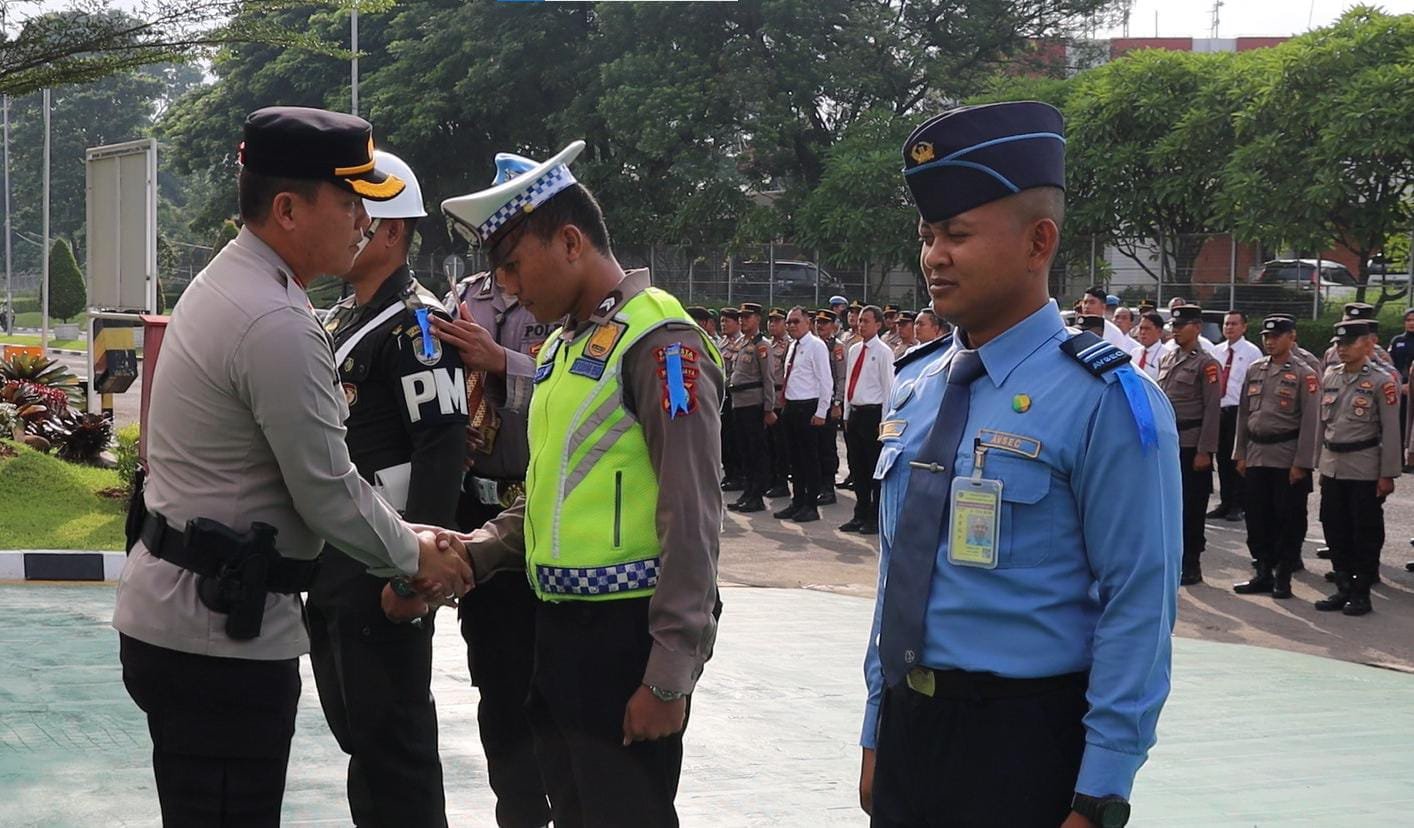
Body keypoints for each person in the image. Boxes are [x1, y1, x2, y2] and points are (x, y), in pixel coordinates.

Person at [112, 106, 471, 826]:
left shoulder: (233, 285)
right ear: (286, 209)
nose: (362, 221)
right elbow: (326, 490)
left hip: (196, 616)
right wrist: (415, 553)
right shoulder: (275, 320)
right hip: (217, 640)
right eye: (347, 202)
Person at [860, 101, 1179, 828]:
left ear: (1039, 242)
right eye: (927, 234)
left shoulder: (1107, 399)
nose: (934, 255)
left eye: (958, 234)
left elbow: (1139, 602)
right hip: (913, 728)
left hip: (1026, 745)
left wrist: (1100, 791)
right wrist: (878, 725)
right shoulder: (917, 383)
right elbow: (896, 578)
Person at [440, 139, 723, 826]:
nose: (507, 289)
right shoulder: (564, 346)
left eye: (513, 266)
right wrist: (473, 552)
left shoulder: (661, 344)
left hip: (627, 640)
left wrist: (669, 673)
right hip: (558, 630)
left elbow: (693, 518)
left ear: (569, 241)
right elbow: (546, 493)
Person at [303, 151, 465, 828]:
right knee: (359, 736)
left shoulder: (419, 326)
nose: (344, 226)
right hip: (336, 557)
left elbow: (440, 452)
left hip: (384, 558)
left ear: (392, 231)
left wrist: (413, 573)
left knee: (394, 744)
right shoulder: (342, 316)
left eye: (357, 215)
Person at [434, 149, 563, 828]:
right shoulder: (469, 297)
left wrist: (501, 359)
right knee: (495, 678)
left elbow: (578, 380)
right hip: (480, 509)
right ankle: (517, 807)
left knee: (554, 679)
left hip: (543, 509)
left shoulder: (572, 300)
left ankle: (553, 797)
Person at [1312, 320, 1402, 616]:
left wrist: (1387, 474)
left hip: (1364, 467)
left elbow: (1391, 431)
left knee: (1364, 531)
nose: (1341, 349)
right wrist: (1320, 464)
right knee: (1334, 526)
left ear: (1366, 344)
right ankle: (1342, 586)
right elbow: (1324, 425)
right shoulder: (1331, 374)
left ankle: (1361, 592)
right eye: (1338, 344)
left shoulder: (1381, 380)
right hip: (1334, 465)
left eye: (1348, 343)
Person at [1231, 315, 1319, 600]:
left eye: (1277, 336)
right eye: (1266, 337)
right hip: (1257, 454)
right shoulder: (1255, 369)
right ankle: (1263, 571)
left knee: (1288, 518)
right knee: (1257, 517)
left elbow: (1311, 422)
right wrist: (1240, 452)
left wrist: (1302, 463)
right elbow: (1245, 414)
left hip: (1286, 456)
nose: (1270, 341)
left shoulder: (1305, 373)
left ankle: (1283, 574)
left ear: (1291, 337)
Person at [1158, 305, 1222, 586]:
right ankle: (1172, 559)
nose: (1175, 330)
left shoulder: (1206, 364)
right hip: (1169, 443)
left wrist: (1205, 450)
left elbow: (1212, 410)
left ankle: (1192, 562)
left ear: (1197, 327)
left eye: (1181, 325)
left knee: (1192, 507)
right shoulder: (1169, 356)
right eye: (1173, 325)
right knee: (1168, 505)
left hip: (1191, 444)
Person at [776, 305, 833, 523]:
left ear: (808, 322)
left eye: (796, 321)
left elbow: (825, 381)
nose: (791, 326)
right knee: (795, 460)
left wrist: (821, 411)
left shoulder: (816, 346)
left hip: (808, 407)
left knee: (810, 459)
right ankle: (797, 501)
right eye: (789, 322)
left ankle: (810, 505)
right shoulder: (793, 346)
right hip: (791, 406)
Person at [840, 304, 892, 534]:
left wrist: (884, 424)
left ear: (878, 325)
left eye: (866, 321)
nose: (861, 325)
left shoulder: (883, 352)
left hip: (873, 414)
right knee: (857, 466)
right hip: (856, 413)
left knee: (873, 469)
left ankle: (874, 516)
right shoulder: (853, 349)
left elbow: (888, 389)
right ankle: (859, 513)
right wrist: (846, 413)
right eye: (860, 320)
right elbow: (849, 384)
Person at [726, 302, 780, 514]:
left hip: (753, 405)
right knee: (744, 451)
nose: (742, 320)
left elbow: (768, 378)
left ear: (758, 319)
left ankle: (756, 495)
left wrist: (769, 408)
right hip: (738, 403)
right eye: (740, 317)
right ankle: (747, 492)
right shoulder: (742, 343)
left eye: (747, 317)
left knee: (756, 451)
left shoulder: (762, 345)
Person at [1209, 310, 1263, 523]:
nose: (1229, 327)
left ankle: (1239, 504)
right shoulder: (1217, 351)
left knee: (1238, 458)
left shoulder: (1252, 352)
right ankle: (1225, 501)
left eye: (1234, 324)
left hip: (1239, 410)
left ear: (1244, 327)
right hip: (1219, 410)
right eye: (1226, 324)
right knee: (1221, 458)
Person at [815, 309, 847, 506]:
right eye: (818, 322)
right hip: (814, 401)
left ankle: (828, 487)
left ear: (833, 326)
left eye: (825, 323)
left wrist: (837, 402)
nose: (820, 326)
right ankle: (818, 484)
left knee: (827, 446)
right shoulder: (813, 344)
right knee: (815, 446)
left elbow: (841, 377)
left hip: (829, 403)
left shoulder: (837, 348)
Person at [765, 307, 794, 498]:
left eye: (777, 321)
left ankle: (782, 482)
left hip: (782, 398)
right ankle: (772, 478)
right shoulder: (768, 344)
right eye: (770, 321)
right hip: (769, 397)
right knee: (769, 444)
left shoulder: (790, 345)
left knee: (782, 444)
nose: (772, 324)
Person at [718, 307, 746, 492]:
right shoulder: (720, 343)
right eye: (722, 321)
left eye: (727, 321)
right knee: (724, 437)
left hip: (739, 395)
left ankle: (740, 475)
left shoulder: (744, 343)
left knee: (738, 438)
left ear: (737, 323)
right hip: (723, 395)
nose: (723, 324)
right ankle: (730, 474)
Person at [1080, 286, 1138, 352]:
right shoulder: (1075, 329)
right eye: (1085, 302)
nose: (1087, 306)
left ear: (1103, 306)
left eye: (1092, 302)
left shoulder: (1114, 334)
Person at [1389, 308, 1414, 451]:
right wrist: (1400, 385)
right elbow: (1389, 366)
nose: (1412, 323)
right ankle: (1398, 459)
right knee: (1399, 423)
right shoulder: (1397, 340)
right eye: (1408, 320)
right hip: (1400, 388)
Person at [1130, 311, 1165, 380]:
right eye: (1141, 328)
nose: (1143, 332)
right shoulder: (1134, 353)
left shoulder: (1166, 355)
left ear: (1159, 331)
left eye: (1147, 329)